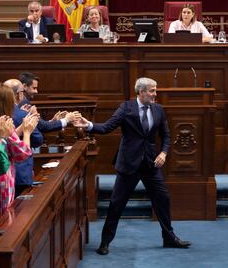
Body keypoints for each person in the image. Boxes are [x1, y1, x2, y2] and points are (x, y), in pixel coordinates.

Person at [73, 77, 191, 254]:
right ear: (141, 92)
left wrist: (164, 153)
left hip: (151, 164)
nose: (155, 94)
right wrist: (88, 125)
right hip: (129, 164)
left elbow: (166, 136)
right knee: (117, 203)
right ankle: (105, 242)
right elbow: (107, 127)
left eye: (155, 90)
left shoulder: (158, 109)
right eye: (152, 91)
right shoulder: (126, 108)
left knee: (162, 200)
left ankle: (169, 238)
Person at [0, 85, 37, 222]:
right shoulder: (4, 123)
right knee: (2, 221)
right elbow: (22, 153)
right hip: (2, 177)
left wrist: (20, 128)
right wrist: (27, 132)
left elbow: (10, 139)